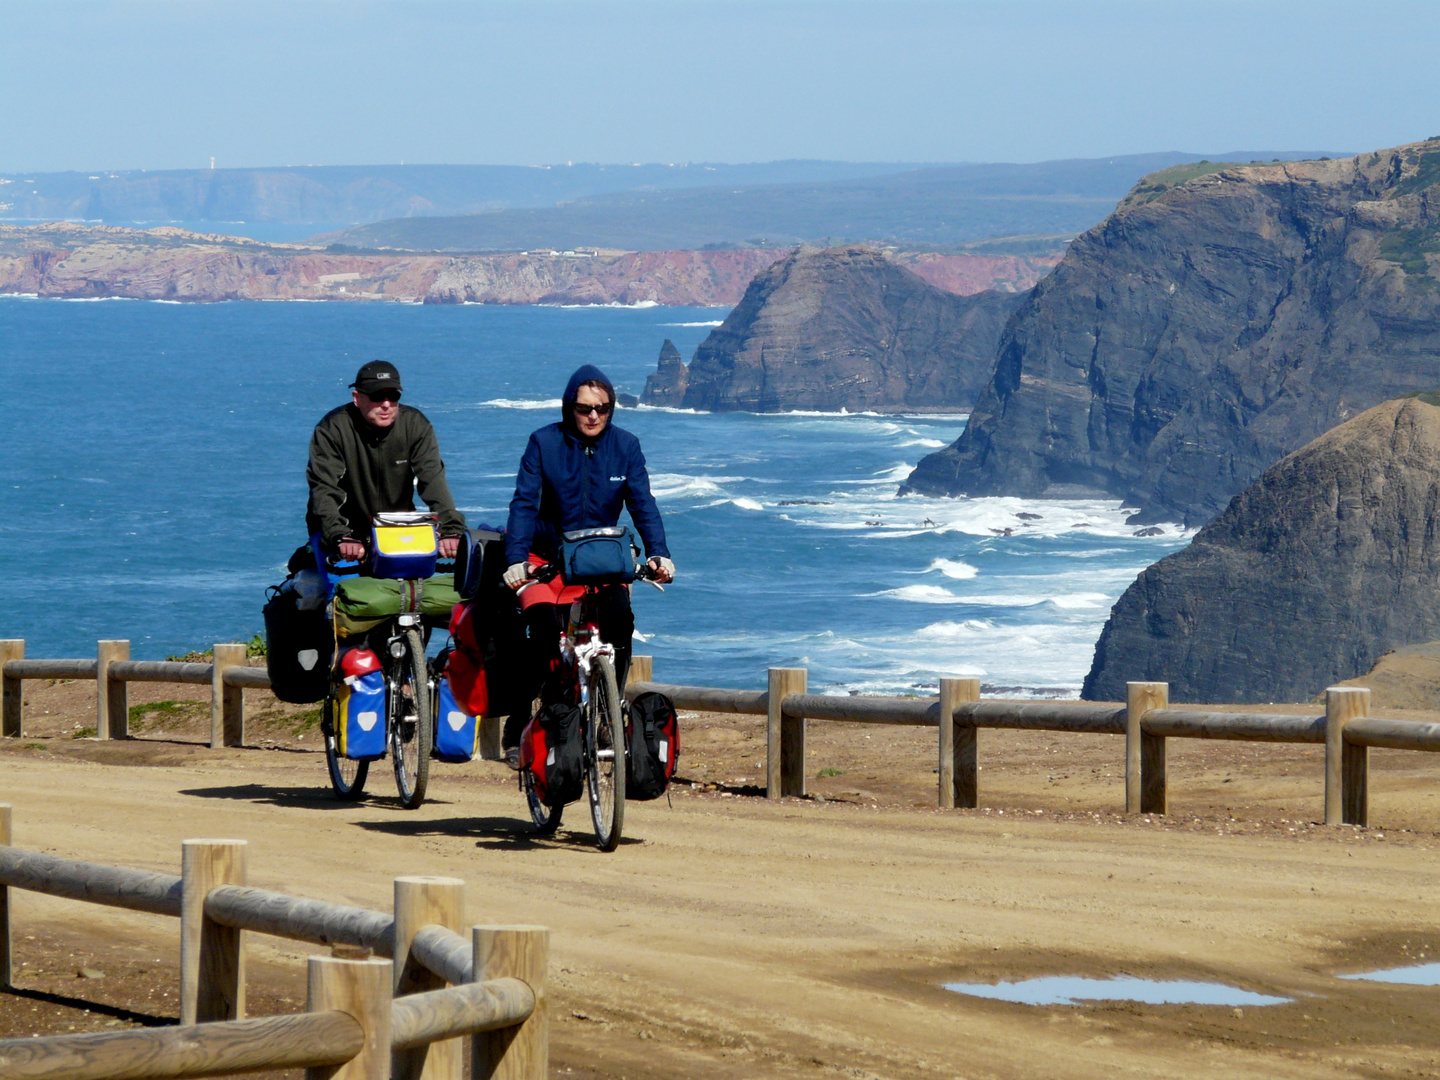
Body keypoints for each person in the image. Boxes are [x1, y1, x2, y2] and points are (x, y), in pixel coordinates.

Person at [501, 364, 674, 762]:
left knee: (620, 622)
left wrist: (658, 552)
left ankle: (608, 710)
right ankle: (521, 716)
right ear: (569, 408)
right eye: (584, 408)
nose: (594, 415)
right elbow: (524, 504)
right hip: (545, 560)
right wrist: (515, 560)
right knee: (543, 630)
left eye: (603, 407)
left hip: (601, 562)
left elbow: (643, 504)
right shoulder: (543, 443)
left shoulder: (626, 446)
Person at [306, 360, 466, 563]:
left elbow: (433, 480)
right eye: (376, 396)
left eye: (393, 396)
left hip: (396, 529)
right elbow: (324, 488)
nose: (386, 404)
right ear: (357, 398)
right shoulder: (334, 428)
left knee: (413, 589)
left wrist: (451, 529)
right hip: (343, 533)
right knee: (346, 591)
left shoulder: (415, 425)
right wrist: (339, 535)